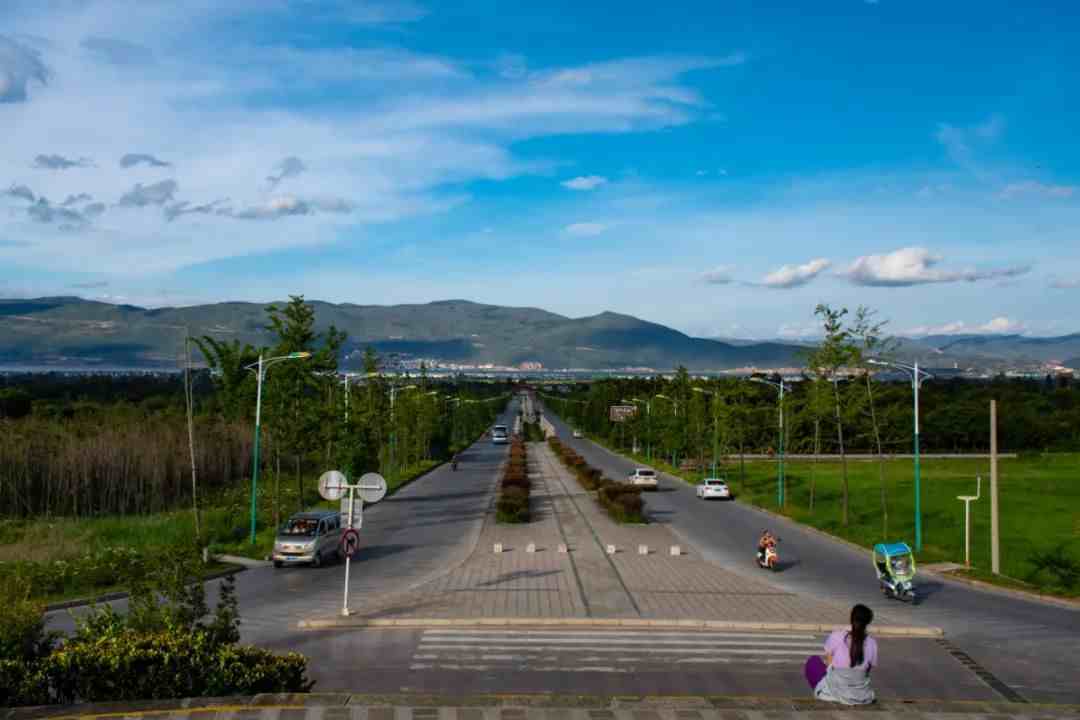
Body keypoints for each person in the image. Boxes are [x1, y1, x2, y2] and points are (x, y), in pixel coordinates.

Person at [804, 604, 877, 705]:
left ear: (851, 618)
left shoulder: (837, 635)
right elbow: (867, 671)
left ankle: (824, 692)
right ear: (868, 622)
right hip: (861, 695)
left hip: (835, 691)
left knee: (813, 661)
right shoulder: (872, 642)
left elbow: (829, 665)